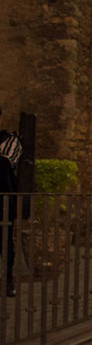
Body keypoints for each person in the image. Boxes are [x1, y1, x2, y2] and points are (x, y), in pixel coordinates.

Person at [0, 107, 21, 298]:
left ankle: (7, 280)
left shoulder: (10, 141)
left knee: (5, 243)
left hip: (2, 203)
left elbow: (5, 163)